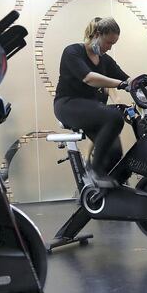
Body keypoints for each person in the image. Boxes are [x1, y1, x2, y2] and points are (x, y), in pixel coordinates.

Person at [54, 17, 130, 188]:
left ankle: (102, 193)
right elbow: (89, 78)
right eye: (108, 42)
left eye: (113, 44)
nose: (110, 47)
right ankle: (93, 170)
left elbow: (126, 78)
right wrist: (121, 84)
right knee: (114, 117)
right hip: (67, 105)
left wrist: (144, 83)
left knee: (115, 152)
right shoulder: (73, 51)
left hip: (91, 110)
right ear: (97, 34)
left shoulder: (105, 60)